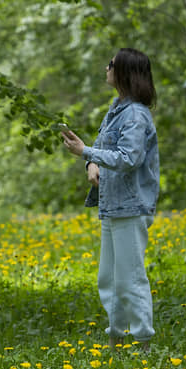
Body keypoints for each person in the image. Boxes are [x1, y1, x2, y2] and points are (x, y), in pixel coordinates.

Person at [61, 48, 160, 351]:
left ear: (125, 72)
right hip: (112, 205)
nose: (106, 67)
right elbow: (107, 151)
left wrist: (87, 152)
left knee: (130, 279)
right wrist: (91, 164)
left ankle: (143, 344)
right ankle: (116, 341)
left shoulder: (135, 115)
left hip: (130, 207)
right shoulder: (116, 109)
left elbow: (129, 158)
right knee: (110, 279)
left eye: (112, 65)